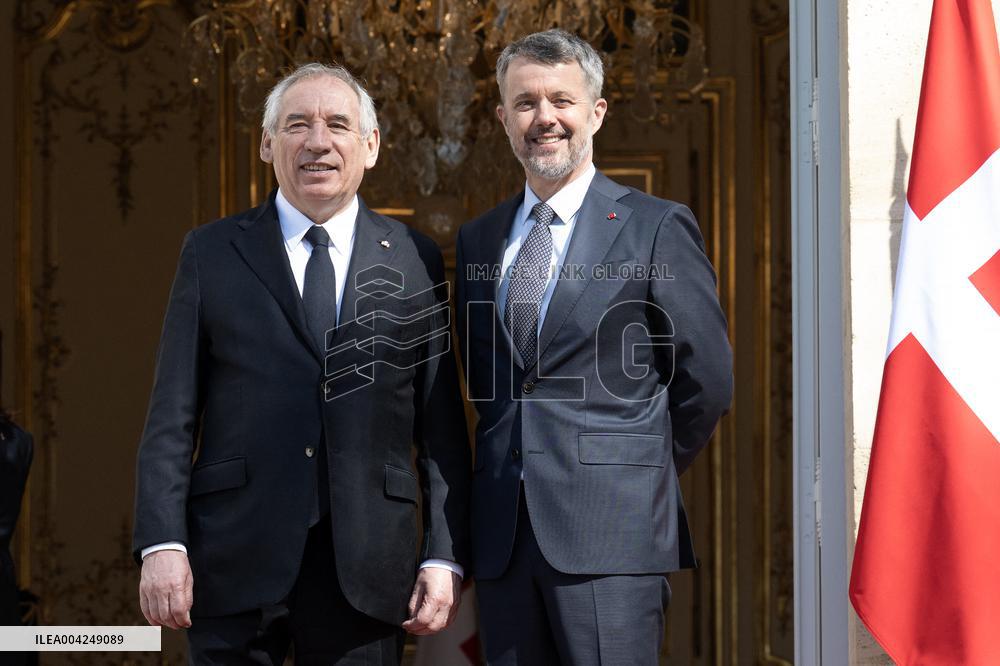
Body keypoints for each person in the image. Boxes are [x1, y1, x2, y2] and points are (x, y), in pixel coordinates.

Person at [133, 63, 470, 665]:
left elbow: (440, 427)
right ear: (267, 144)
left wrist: (443, 555)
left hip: (368, 570)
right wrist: (162, 541)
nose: (318, 141)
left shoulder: (415, 258)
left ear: (369, 147)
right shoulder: (212, 252)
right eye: (297, 125)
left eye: (338, 124)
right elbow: (171, 416)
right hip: (234, 560)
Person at [455, 30, 733, 665]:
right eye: (525, 103)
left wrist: (631, 465)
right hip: (505, 537)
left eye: (562, 100)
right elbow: (491, 388)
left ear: (596, 112)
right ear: (502, 118)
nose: (544, 118)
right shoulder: (480, 238)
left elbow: (707, 380)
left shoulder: (655, 225)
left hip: (613, 530)